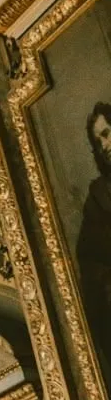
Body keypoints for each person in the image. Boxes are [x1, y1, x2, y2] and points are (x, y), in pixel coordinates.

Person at [78, 102, 111, 364]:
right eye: (99, 141)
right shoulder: (99, 196)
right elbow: (90, 260)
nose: (105, 145)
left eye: (107, 133)